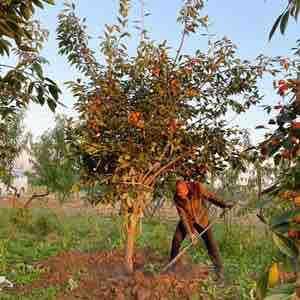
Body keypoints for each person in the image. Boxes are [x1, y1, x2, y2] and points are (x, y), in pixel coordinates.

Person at [169, 165, 234, 280]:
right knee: (176, 240)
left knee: (211, 245)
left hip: (201, 220)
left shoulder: (198, 187)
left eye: (181, 193)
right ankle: (171, 268)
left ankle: (220, 272)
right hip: (188, 221)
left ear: (186, 187)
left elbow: (211, 197)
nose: (180, 195)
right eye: (178, 193)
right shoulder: (177, 198)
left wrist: (224, 205)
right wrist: (190, 233)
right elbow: (183, 216)